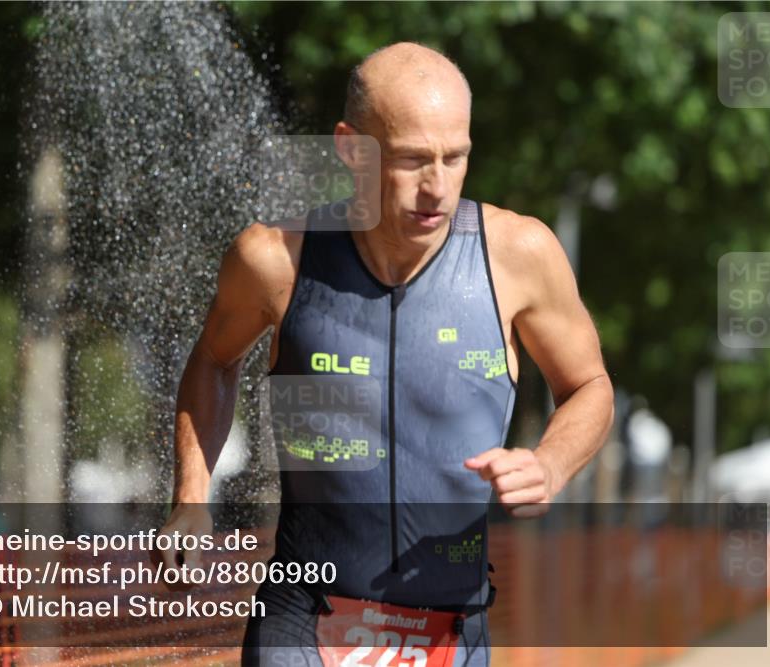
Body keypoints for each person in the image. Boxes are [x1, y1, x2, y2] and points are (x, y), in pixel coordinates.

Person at [159, 41, 614, 666]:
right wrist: (191, 498)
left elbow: (589, 386)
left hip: (453, 635)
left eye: (456, 159)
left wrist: (551, 465)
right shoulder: (275, 260)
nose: (437, 187)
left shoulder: (520, 256)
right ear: (350, 148)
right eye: (411, 160)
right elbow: (214, 359)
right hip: (303, 625)